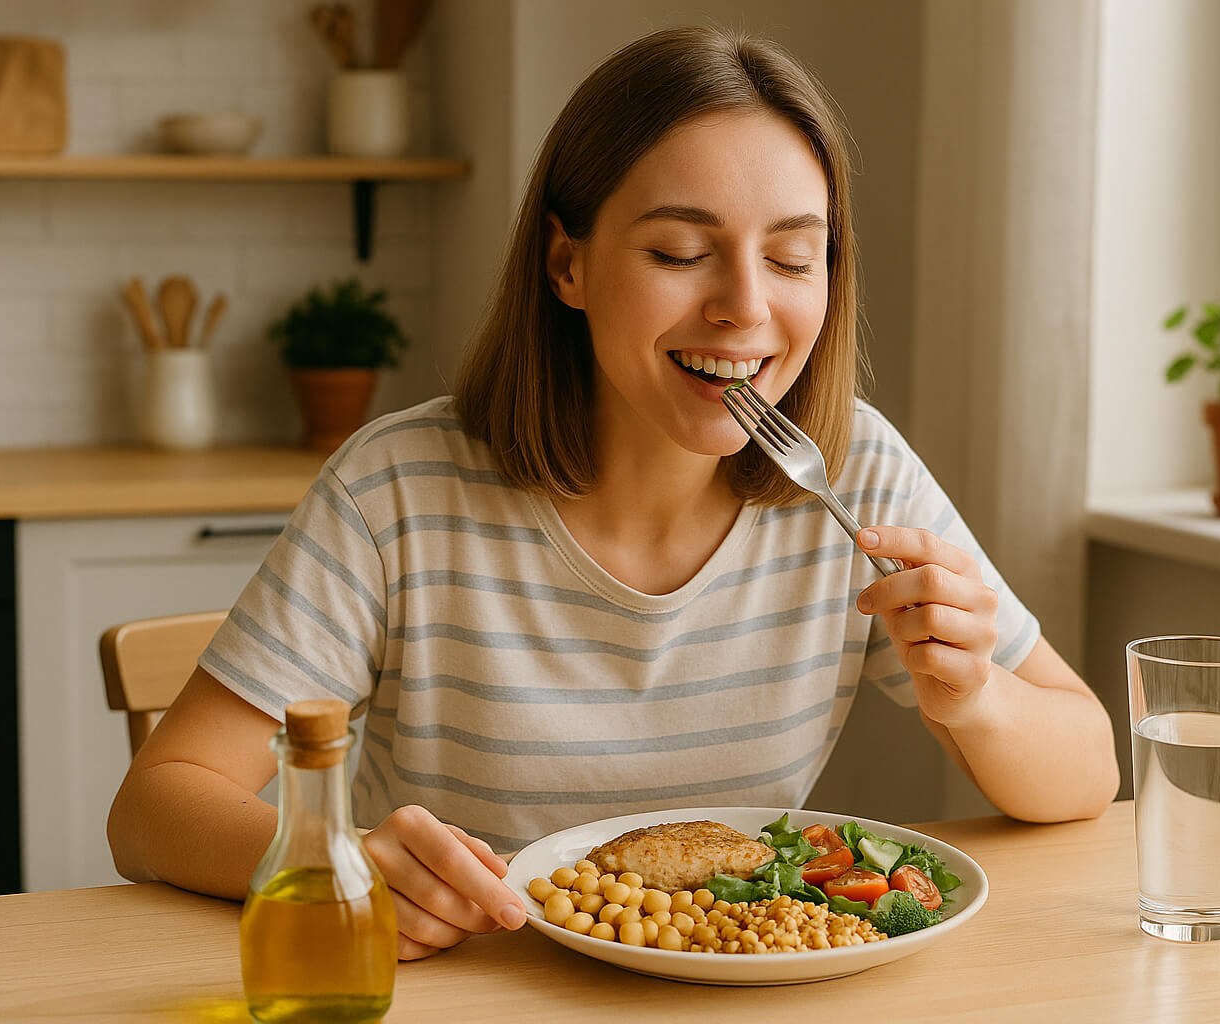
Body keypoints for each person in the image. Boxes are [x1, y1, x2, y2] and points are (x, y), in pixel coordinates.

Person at [108, 24, 1119, 961]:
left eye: (791, 257)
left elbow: (1090, 768)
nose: (744, 307)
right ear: (567, 263)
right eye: (680, 252)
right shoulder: (397, 493)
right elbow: (157, 803)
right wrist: (344, 857)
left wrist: (977, 698)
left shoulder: (852, 475)